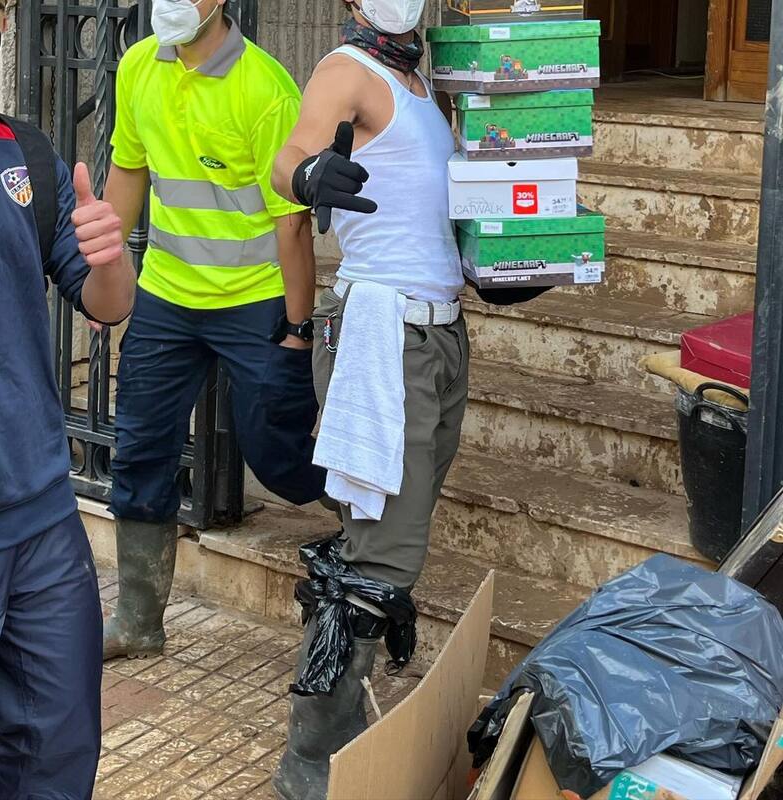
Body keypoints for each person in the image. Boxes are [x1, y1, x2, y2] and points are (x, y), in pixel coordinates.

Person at [270, 0, 469, 797]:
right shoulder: (344, 70)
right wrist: (310, 173)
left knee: (383, 538)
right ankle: (309, 762)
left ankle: (340, 725)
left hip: (440, 335)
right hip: (383, 337)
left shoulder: (425, 85)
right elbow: (287, 160)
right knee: (380, 555)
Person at [101, 0, 327, 661]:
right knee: (140, 447)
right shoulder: (138, 65)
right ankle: (139, 620)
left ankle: (362, 519)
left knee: (278, 450)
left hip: (254, 300)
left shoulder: (265, 88)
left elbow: (293, 222)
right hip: (167, 297)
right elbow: (128, 173)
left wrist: (296, 327)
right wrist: (106, 277)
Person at [0, 2, 136, 795]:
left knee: (58, 747)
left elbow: (106, 303)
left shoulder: (27, 155)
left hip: (41, 514)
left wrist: (111, 257)